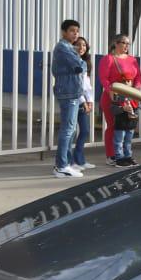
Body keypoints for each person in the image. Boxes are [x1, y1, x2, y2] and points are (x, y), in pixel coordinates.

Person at [98, 33, 141, 167]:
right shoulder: (109, 59)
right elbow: (103, 78)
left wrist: (135, 89)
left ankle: (126, 155)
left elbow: (139, 77)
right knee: (114, 126)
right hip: (113, 97)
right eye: (124, 43)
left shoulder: (132, 59)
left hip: (130, 97)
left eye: (128, 43)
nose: (126, 46)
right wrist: (110, 90)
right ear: (116, 43)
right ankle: (112, 155)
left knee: (128, 127)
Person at [50, 20, 84, 178]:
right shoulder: (63, 48)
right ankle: (61, 165)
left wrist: (80, 62)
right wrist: (80, 61)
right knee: (68, 130)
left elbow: (81, 66)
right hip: (68, 93)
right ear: (64, 32)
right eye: (72, 30)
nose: (75, 33)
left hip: (73, 92)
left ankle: (67, 163)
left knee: (71, 130)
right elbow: (79, 65)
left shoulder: (69, 47)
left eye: (77, 31)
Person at [71, 36, 95, 171]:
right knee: (71, 132)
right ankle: (70, 162)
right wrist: (83, 101)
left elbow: (86, 85)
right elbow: (76, 85)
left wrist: (90, 101)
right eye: (79, 45)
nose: (81, 48)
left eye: (84, 45)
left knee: (84, 131)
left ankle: (80, 160)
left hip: (85, 101)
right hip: (76, 100)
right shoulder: (72, 62)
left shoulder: (85, 62)